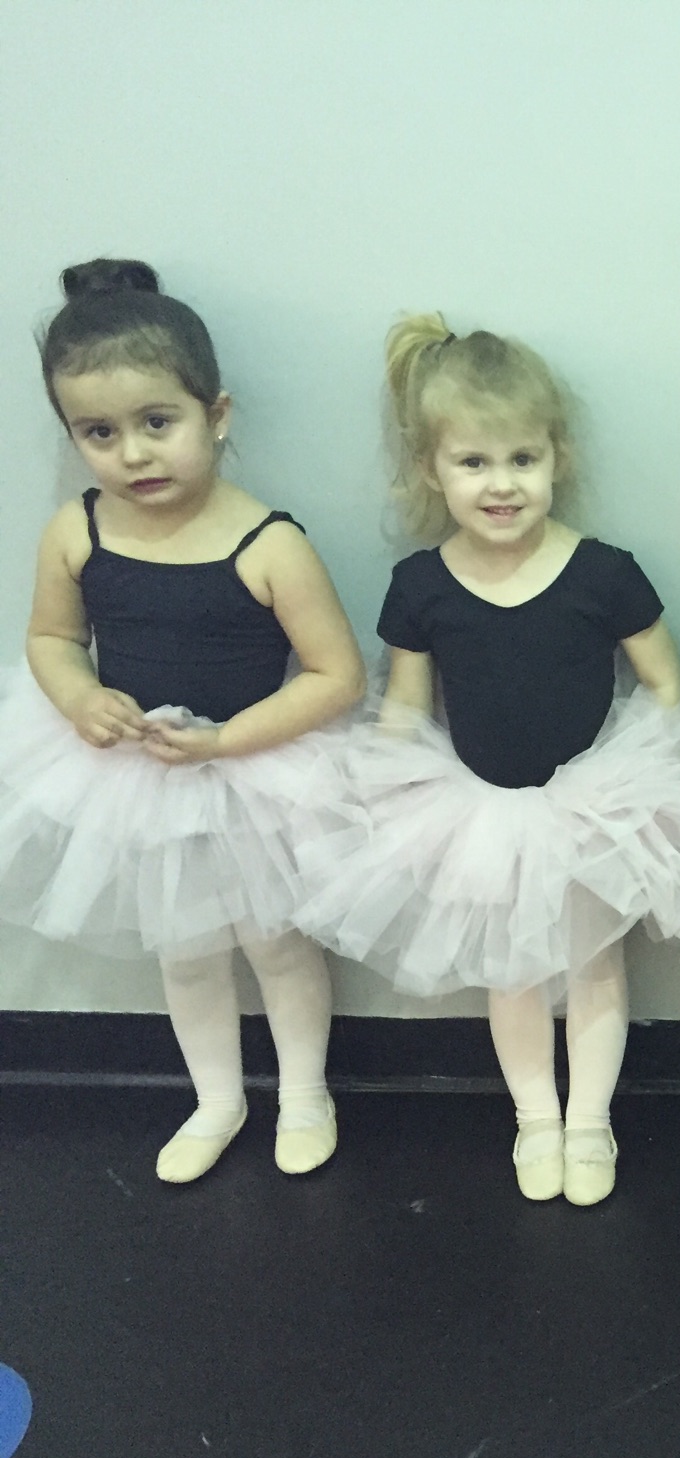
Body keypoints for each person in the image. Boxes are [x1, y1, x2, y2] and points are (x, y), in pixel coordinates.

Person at [297, 315, 680, 1206]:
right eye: (474, 463)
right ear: (432, 469)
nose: (501, 485)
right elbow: (408, 706)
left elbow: (663, 684)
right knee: (512, 969)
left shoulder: (605, 572)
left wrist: (632, 779)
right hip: (478, 811)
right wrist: (386, 799)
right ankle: (536, 1118)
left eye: (521, 460)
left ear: (555, 457)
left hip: (592, 806)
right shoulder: (420, 585)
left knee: (595, 965)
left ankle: (591, 1122)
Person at [0, 259, 365, 1183]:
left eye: (157, 423)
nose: (133, 454)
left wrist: (227, 741)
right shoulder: (75, 530)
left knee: (278, 945)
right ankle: (215, 1098)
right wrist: (80, 697)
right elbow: (49, 637)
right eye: (99, 432)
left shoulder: (269, 541)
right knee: (187, 950)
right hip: (136, 780)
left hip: (255, 774)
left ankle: (306, 1093)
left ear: (217, 414)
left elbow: (336, 676)